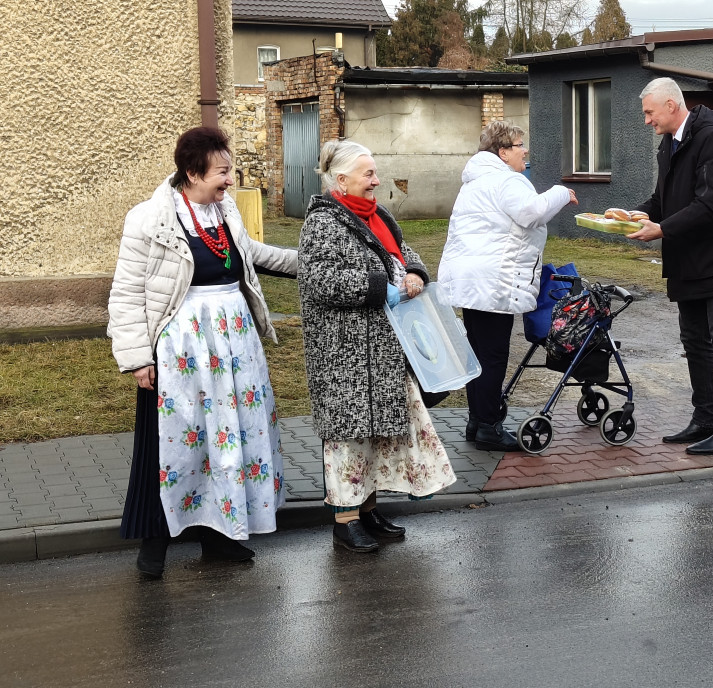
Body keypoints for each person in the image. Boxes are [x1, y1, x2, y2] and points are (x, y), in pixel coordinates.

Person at [108, 126, 298, 578]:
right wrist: (137, 358)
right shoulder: (149, 219)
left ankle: (219, 534)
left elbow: (251, 254)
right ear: (193, 173)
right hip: (182, 349)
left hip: (235, 344)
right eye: (222, 172)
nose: (231, 180)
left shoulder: (223, 210)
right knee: (174, 442)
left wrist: (311, 260)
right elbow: (127, 293)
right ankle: (154, 542)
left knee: (230, 436)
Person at [299, 139, 456, 553]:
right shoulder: (322, 222)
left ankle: (368, 510)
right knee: (348, 437)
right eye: (368, 173)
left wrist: (414, 272)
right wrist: (378, 287)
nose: (376, 180)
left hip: (384, 349)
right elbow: (320, 280)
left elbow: (402, 250)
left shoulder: (377, 214)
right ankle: (345, 521)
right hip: (344, 353)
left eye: (374, 172)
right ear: (341, 179)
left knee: (376, 434)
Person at [627, 77, 713, 455]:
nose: (647, 121)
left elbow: (711, 203)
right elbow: (663, 199)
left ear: (671, 106)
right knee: (694, 342)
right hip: (687, 258)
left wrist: (662, 229)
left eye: (650, 113)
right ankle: (704, 419)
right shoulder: (671, 142)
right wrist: (635, 214)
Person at [438, 120, 578, 452]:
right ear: (502, 152)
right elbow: (532, 212)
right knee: (493, 355)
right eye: (519, 145)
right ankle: (488, 427)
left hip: (470, 281)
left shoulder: (475, 182)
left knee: (478, 352)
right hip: (493, 282)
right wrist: (561, 191)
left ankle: (477, 421)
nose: (525, 151)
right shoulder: (506, 180)